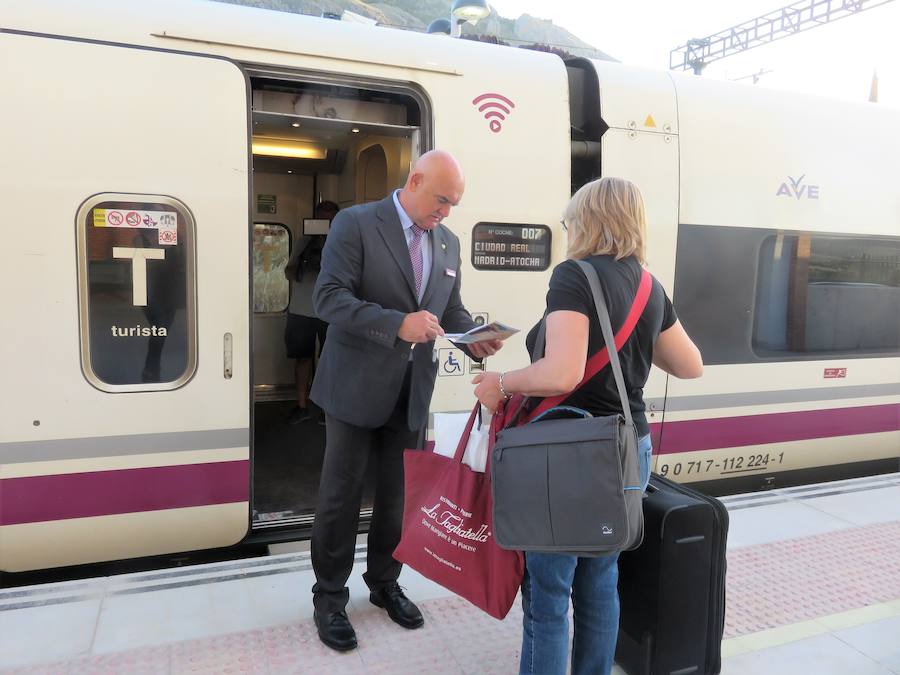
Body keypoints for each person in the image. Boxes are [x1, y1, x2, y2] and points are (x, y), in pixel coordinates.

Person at [473, 177, 703, 675]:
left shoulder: (573, 276)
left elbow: (562, 372)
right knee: (601, 579)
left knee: (549, 592)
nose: (568, 228)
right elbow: (690, 365)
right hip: (626, 448)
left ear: (588, 221)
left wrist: (502, 382)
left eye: (570, 220)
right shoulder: (649, 285)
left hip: (568, 453)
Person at [308, 149, 503, 651]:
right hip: (352, 388)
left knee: (398, 497)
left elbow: (449, 310)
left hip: (411, 389)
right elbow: (327, 298)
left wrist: (473, 335)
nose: (446, 212)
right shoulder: (355, 224)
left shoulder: (449, 243)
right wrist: (396, 324)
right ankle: (329, 597)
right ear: (414, 180)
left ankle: (383, 583)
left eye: (454, 203)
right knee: (341, 497)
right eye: (441, 199)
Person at [283, 201, 339, 424]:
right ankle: (302, 405)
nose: (325, 225)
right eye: (321, 220)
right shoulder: (303, 242)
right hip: (301, 310)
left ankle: (328, 410)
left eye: (330, 220)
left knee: (331, 361)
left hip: (332, 313)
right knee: (302, 359)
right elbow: (288, 273)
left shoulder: (344, 243)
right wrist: (304, 262)